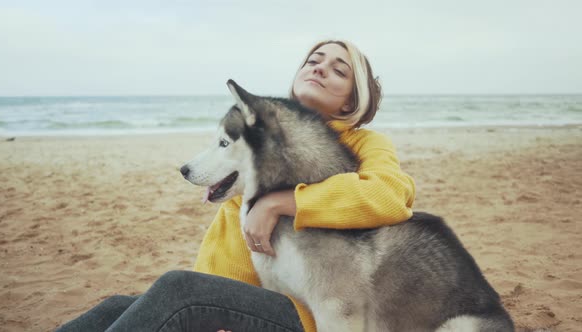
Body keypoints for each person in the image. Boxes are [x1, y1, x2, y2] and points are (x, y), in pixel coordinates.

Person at [56, 40, 416, 332]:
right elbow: (233, 252)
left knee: (179, 289)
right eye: (313, 61)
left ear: (352, 99)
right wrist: (218, 312)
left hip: (317, 315)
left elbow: (388, 196)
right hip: (261, 306)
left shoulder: (364, 144)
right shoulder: (259, 143)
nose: (320, 68)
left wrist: (282, 203)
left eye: (339, 70)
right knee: (119, 305)